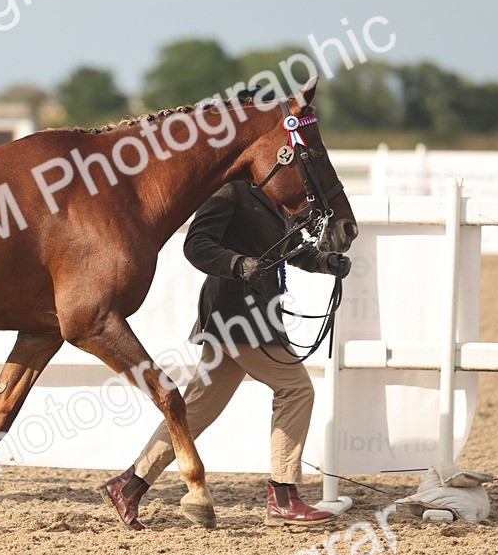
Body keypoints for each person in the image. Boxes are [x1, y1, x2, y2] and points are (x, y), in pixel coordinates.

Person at [102, 180, 351, 529]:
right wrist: (237, 263)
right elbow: (196, 245)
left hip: (254, 314)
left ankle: (128, 486)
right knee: (296, 390)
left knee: (195, 410)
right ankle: (283, 497)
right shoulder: (230, 191)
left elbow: (292, 249)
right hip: (236, 312)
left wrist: (327, 263)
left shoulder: (277, 198)